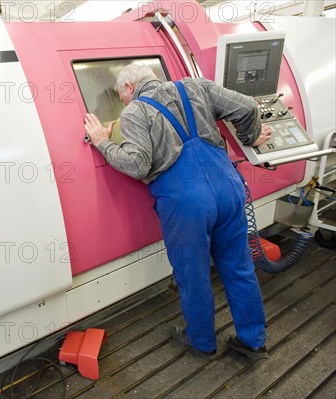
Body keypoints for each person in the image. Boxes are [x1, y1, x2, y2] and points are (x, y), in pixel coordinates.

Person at [84, 64, 273, 360]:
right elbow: (247, 106)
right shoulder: (198, 86)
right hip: (228, 186)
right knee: (239, 266)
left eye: (122, 98)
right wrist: (250, 137)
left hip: (186, 203)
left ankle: (201, 341)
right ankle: (253, 341)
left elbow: (137, 165)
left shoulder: (135, 112)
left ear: (130, 89)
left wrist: (102, 142)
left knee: (193, 273)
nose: (124, 104)